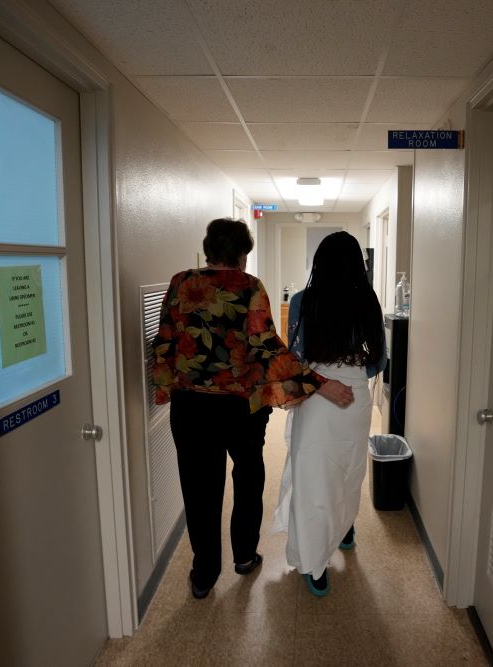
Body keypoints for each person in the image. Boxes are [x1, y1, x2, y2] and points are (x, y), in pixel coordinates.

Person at [151, 218, 354, 600]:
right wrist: (321, 384)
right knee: (247, 478)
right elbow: (267, 347)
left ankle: (204, 575)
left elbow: (164, 340)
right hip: (241, 408)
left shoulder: (180, 282)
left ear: (208, 248)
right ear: (243, 255)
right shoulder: (249, 288)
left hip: (191, 407)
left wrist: (165, 390)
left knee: (199, 490)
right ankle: (244, 556)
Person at [271, 231, 387, 597]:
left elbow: (294, 357)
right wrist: (350, 376)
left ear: (319, 262)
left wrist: (325, 379)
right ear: (358, 263)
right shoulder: (368, 301)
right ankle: (344, 528)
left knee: (314, 478)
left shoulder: (305, 300)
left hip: (318, 396)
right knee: (348, 468)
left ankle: (315, 562)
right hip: (354, 399)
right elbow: (378, 360)